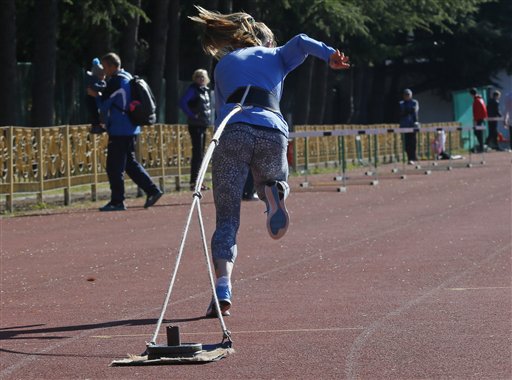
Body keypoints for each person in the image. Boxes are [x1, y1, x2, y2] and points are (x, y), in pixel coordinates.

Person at [190, 6, 350, 317]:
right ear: (266, 41)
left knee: (226, 219)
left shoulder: (223, 64)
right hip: (271, 128)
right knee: (271, 180)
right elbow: (302, 40)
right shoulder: (275, 55)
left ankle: (223, 285)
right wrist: (330, 55)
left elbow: (220, 109)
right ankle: (273, 191)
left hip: (232, 129)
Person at [87, 52, 163, 211]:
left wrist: (95, 95)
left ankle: (117, 201)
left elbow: (105, 105)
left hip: (120, 129)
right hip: (131, 127)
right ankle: (152, 190)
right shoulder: (127, 76)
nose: (104, 70)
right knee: (130, 164)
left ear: (113, 66)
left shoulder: (116, 81)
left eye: (105, 67)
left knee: (114, 166)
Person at [179, 69, 212, 190]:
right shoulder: (193, 90)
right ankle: (194, 182)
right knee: (198, 154)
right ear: (195, 78)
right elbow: (182, 102)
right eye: (198, 77)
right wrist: (193, 115)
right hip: (195, 125)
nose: (201, 79)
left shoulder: (205, 91)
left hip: (203, 125)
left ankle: (199, 181)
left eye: (203, 77)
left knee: (201, 154)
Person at [85, 58, 107, 134]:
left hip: (94, 100)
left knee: (96, 114)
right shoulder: (96, 82)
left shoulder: (94, 80)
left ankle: (98, 126)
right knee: (95, 114)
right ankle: (96, 127)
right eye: (104, 75)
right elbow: (96, 87)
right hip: (93, 100)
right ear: (100, 75)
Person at [399, 88, 419, 164]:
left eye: (408, 95)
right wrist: (408, 111)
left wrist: (416, 122)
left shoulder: (414, 102)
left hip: (412, 125)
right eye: (405, 95)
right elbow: (401, 112)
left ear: (411, 95)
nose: (407, 96)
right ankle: (409, 158)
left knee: (413, 142)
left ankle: (413, 157)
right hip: (404, 126)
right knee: (406, 143)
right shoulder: (401, 103)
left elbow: (414, 111)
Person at [469, 88, 488, 153]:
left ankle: (481, 147)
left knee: (477, 133)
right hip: (482, 118)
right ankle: (481, 146)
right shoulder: (481, 99)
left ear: (471, 94)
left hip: (478, 119)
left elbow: (475, 111)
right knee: (479, 133)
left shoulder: (476, 100)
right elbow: (484, 109)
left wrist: (475, 120)